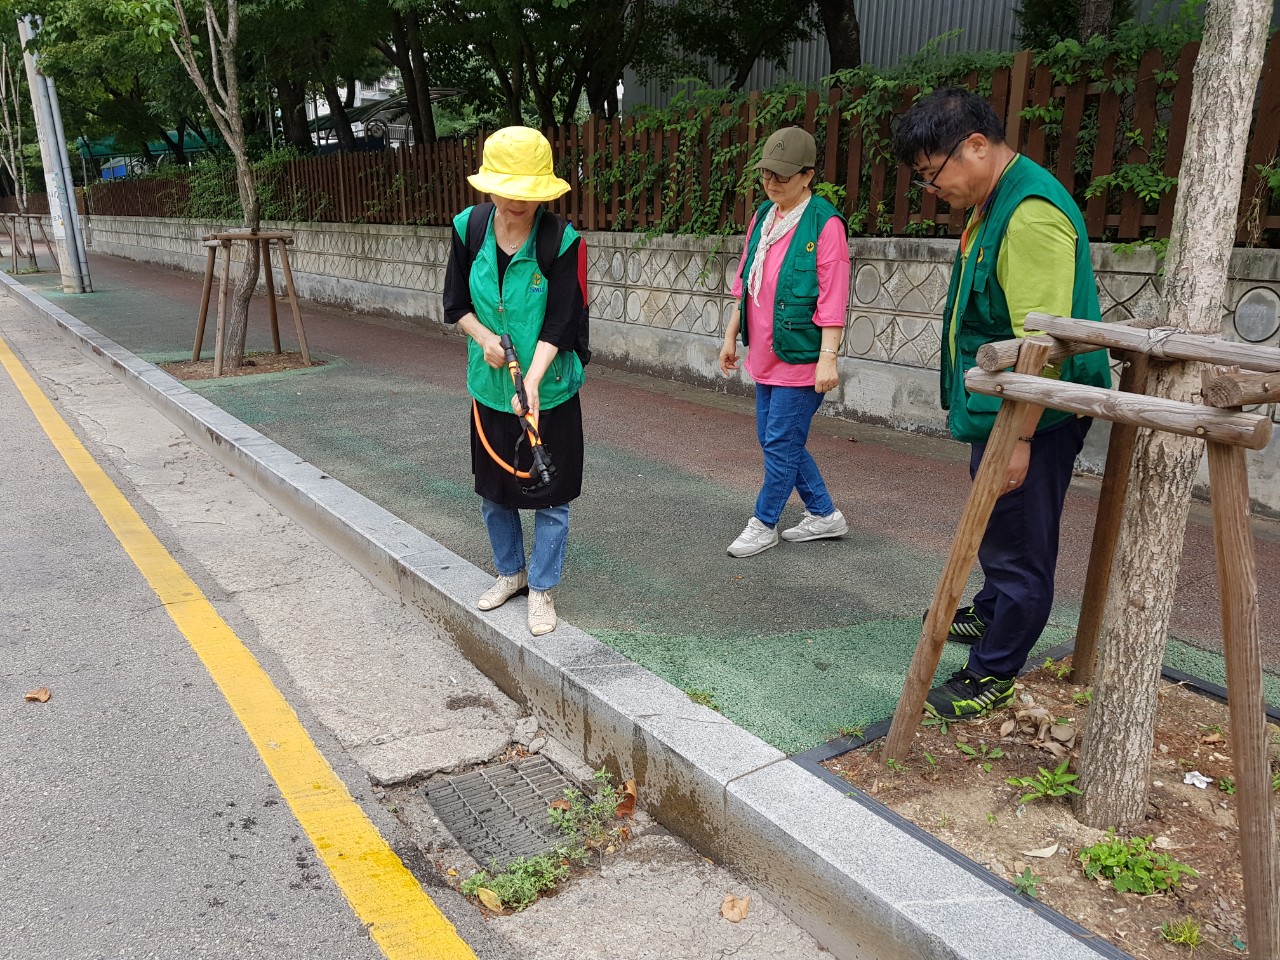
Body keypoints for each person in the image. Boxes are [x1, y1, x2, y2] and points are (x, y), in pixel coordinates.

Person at [891, 88, 1111, 721]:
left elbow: (1044, 344)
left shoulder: (1029, 213)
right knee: (999, 523)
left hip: (1032, 415)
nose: (932, 190)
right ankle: (992, 610)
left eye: (932, 175)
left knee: (1019, 541)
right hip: (1004, 408)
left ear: (977, 147)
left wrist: (1018, 436)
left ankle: (995, 669)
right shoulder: (993, 203)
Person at [443, 126, 588, 637]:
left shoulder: (561, 240)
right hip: (489, 388)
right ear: (489, 185)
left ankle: (543, 588)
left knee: (551, 493)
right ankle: (512, 572)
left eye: (528, 191)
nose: (517, 201)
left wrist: (534, 380)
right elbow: (455, 306)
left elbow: (562, 323)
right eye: (508, 189)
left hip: (548, 390)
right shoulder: (468, 229)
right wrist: (482, 337)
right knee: (495, 489)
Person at [718, 126, 851, 558]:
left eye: (782, 175)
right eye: (766, 175)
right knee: (778, 439)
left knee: (779, 441)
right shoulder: (764, 216)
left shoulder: (825, 223)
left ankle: (765, 521)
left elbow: (833, 296)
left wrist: (827, 358)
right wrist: (731, 335)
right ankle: (824, 514)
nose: (772, 183)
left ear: (808, 175)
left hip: (802, 354)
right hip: (764, 351)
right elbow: (745, 281)